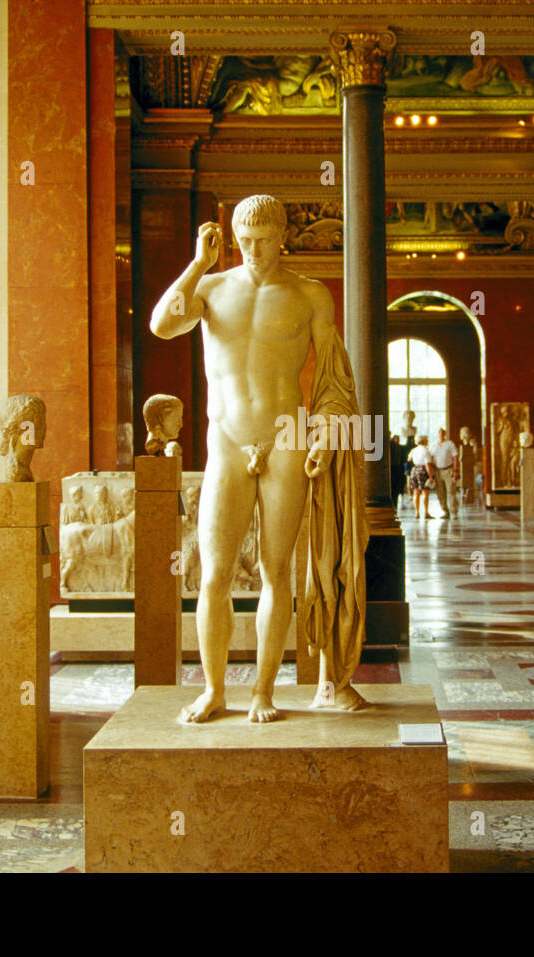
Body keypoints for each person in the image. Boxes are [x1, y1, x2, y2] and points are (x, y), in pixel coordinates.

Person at [150, 193, 369, 724]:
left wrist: (324, 432)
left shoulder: (309, 294)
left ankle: (263, 693)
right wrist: (198, 262)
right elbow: (161, 324)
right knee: (214, 575)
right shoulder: (210, 287)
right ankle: (214, 690)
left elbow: (332, 376)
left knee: (276, 573)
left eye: (263, 241)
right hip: (226, 439)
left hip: (285, 439)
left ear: (282, 238)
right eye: (243, 241)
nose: (252, 250)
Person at [430, 427, 459, 518]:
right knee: (440, 492)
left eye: (442, 433)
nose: (441, 434)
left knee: (451, 490)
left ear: (445, 434)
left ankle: (453, 512)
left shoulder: (450, 444)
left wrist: (455, 470)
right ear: (437, 434)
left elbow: (455, 457)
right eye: (439, 433)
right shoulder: (433, 445)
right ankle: (445, 511)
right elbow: (430, 458)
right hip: (437, 471)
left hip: (448, 470)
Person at [408, 434, 436, 519]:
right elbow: (427, 464)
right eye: (426, 439)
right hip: (423, 471)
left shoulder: (414, 450)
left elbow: (409, 459)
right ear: (424, 441)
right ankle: (426, 512)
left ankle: (417, 513)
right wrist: (430, 476)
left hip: (415, 470)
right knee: (425, 493)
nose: (427, 441)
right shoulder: (425, 451)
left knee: (416, 492)